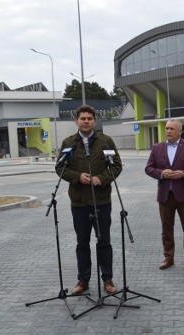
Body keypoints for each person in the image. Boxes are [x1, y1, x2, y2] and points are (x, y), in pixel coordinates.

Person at [55, 105, 122, 296]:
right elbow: (60, 168)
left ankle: (107, 279)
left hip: (101, 200)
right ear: (76, 121)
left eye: (89, 118)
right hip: (79, 202)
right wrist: (77, 177)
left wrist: (102, 178)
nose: (86, 121)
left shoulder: (105, 142)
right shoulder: (69, 142)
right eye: (82, 118)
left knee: (104, 242)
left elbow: (116, 166)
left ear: (94, 121)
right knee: (82, 243)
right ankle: (83, 280)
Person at [145, 119, 184, 271]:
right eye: (167, 128)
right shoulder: (157, 147)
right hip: (165, 196)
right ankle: (168, 257)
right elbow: (148, 168)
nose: (168, 131)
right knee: (166, 229)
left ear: (180, 131)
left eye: (172, 129)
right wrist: (161, 173)